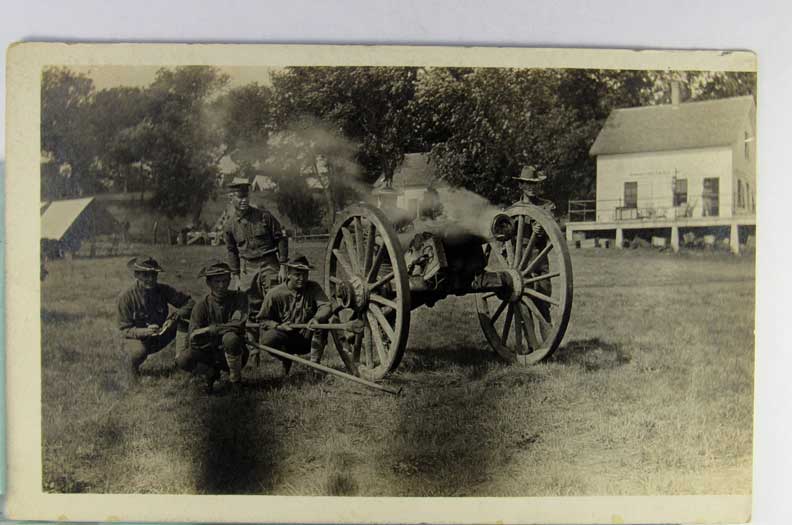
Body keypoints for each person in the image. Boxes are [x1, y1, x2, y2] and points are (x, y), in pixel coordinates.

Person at [117, 256, 194, 380]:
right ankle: (131, 369)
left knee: (185, 322)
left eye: (154, 275)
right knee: (138, 351)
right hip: (137, 340)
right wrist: (145, 331)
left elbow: (190, 303)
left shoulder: (163, 290)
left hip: (159, 335)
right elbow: (124, 330)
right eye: (145, 275)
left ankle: (182, 363)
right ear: (136, 275)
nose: (151, 279)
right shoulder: (126, 297)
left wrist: (174, 317)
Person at [178, 261, 250, 394]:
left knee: (230, 338)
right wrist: (207, 337)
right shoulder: (201, 305)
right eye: (217, 282)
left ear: (230, 281)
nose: (221, 285)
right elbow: (193, 336)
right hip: (208, 352)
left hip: (234, 350)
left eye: (225, 281)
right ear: (208, 283)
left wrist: (210, 330)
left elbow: (237, 325)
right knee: (183, 359)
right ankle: (209, 372)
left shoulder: (239, 298)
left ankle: (235, 380)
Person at [257, 254, 333, 376]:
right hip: (286, 339)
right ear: (288, 274)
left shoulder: (313, 288)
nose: (302, 278)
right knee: (268, 340)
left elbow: (326, 306)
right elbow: (262, 319)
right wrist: (278, 326)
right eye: (297, 275)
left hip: (309, 337)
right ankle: (286, 359)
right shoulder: (274, 294)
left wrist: (316, 318)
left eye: (305, 274)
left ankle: (315, 365)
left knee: (323, 322)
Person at [223, 180, 289, 316]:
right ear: (231, 198)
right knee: (249, 305)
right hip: (248, 268)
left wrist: (283, 266)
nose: (244, 200)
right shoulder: (229, 225)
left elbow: (281, 239)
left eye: (246, 196)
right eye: (240, 197)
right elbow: (232, 251)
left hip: (269, 264)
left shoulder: (264, 216)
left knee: (277, 299)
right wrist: (237, 278)